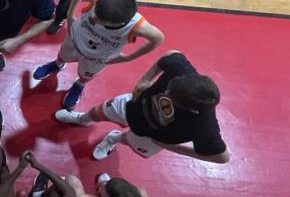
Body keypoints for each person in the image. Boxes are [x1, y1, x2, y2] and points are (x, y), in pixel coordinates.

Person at [55, 51, 231, 164]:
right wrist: (145, 80)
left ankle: (113, 139)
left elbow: (222, 157)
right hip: (134, 105)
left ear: (187, 106)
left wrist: (174, 148)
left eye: (171, 95)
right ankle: (82, 119)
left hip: (153, 136)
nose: (166, 92)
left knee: (129, 140)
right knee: (98, 111)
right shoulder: (182, 71)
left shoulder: (204, 126)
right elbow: (172, 55)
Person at [33, 0, 164, 110]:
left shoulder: (136, 27)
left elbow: (158, 38)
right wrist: (70, 14)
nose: (94, 19)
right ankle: (57, 64)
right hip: (75, 39)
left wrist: (128, 58)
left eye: (100, 20)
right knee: (62, 56)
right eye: (95, 13)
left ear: (119, 23)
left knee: (85, 75)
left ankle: (79, 84)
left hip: (97, 58)